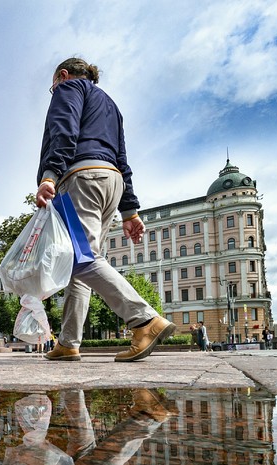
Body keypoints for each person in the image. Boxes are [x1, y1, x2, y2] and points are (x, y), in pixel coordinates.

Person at [36, 57, 175, 363]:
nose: (54, 90)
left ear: (62, 75)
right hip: (111, 182)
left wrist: (50, 174)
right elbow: (123, 158)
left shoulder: (68, 87)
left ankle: (143, 320)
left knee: (82, 258)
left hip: (81, 178)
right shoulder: (111, 106)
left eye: (53, 84)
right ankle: (69, 342)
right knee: (82, 261)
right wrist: (129, 211)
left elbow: (64, 130)